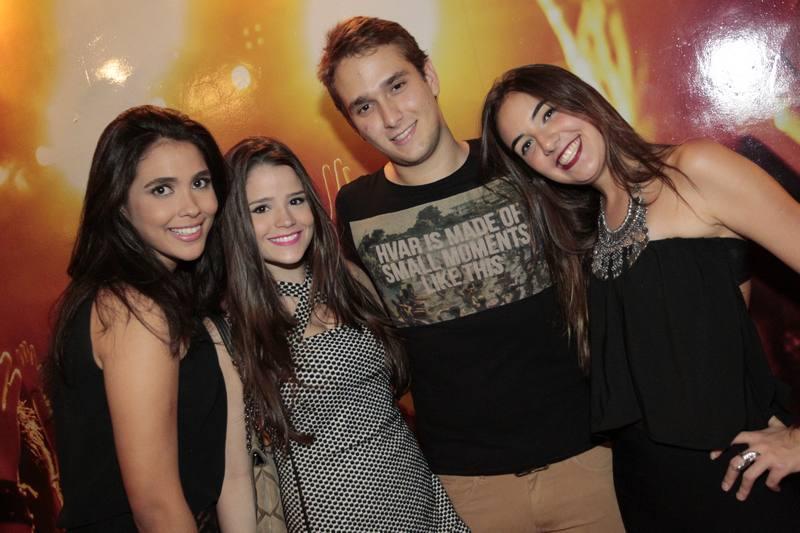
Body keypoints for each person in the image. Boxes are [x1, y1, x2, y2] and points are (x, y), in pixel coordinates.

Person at [318, 16, 624, 532]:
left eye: (397, 85)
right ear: (352, 122)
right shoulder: (355, 209)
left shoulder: (520, 163)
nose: (391, 116)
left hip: (588, 461)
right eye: (364, 106)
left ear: (429, 77)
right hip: (467, 489)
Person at [481, 63, 800, 531]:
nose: (546, 143)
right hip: (645, 490)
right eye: (525, 145)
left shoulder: (693, 169)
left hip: (735, 480)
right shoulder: (584, 235)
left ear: (582, 99)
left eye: (547, 114)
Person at [219, 136, 468, 532]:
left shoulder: (348, 279)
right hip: (332, 517)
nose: (285, 219)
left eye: (296, 200)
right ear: (235, 221)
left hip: (418, 496)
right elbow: (234, 476)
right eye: (261, 208)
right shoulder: (231, 326)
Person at [49, 105, 255, 532]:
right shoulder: (134, 309)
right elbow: (156, 508)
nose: (191, 207)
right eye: (162, 190)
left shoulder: (163, 299)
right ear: (120, 206)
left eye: (200, 183)